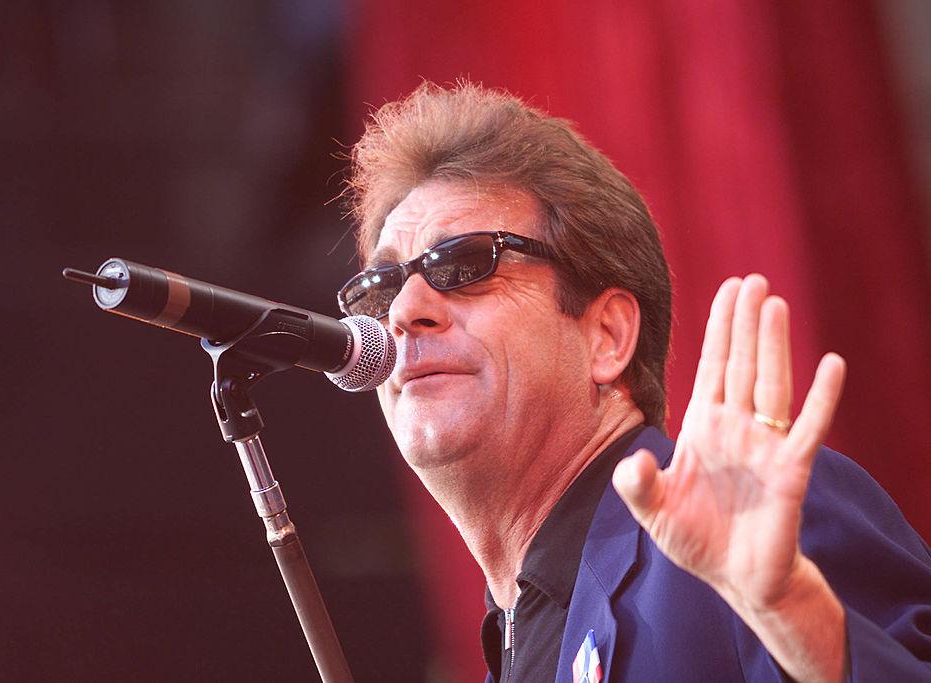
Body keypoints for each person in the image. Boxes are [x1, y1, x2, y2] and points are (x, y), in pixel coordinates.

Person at [335, 81, 931, 681]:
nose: (404, 311)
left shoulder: (759, 520)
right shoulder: (511, 652)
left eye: (463, 264)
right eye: (381, 285)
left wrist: (795, 612)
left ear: (608, 337)